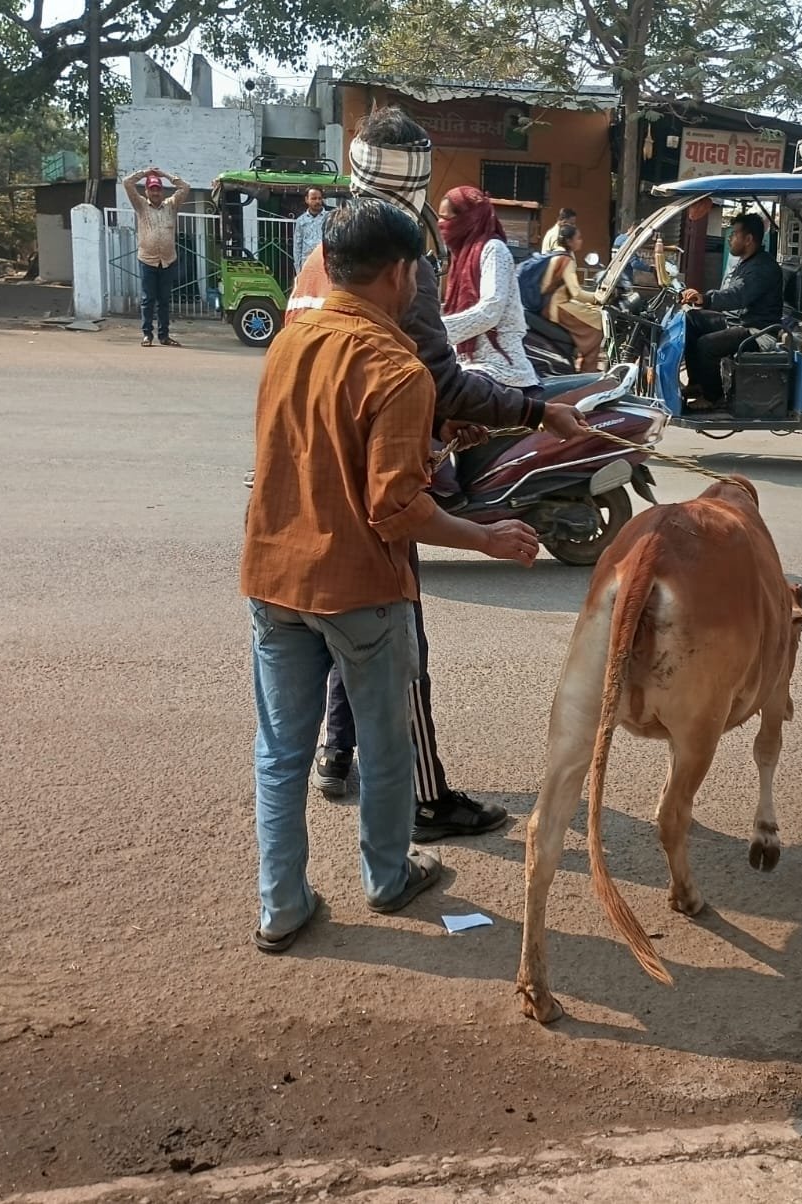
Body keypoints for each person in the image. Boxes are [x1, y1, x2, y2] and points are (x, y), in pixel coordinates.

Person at [241, 199, 541, 953]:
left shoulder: (289, 339)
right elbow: (395, 509)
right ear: (402, 273)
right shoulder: (398, 368)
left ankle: (281, 907)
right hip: (359, 589)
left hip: (273, 577)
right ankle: (386, 877)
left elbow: (322, 452)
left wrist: (431, 445)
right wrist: (486, 538)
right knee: (384, 746)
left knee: (281, 753)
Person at [284, 105, 587, 842]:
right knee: (401, 648)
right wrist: (535, 412)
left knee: (338, 635)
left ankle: (334, 754)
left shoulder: (320, 258)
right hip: (374, 485)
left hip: (302, 487)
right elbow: (436, 382)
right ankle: (421, 804)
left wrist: (444, 420)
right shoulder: (402, 268)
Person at [438, 185, 540, 390]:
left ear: (468, 219)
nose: (440, 224)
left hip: (499, 366)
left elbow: (490, 310)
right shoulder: (460, 256)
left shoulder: (493, 250)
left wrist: (437, 330)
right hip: (467, 363)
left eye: (446, 218)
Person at [679, 212, 784, 407]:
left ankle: (713, 398)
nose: (730, 239)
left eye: (734, 234)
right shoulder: (748, 262)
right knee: (691, 319)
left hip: (758, 331)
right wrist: (702, 301)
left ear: (748, 239)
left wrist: (705, 298)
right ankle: (698, 383)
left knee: (706, 345)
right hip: (739, 322)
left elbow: (738, 295)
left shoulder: (762, 267)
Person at [122, 165, 191, 348]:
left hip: (168, 261)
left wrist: (165, 175)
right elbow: (127, 183)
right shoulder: (141, 206)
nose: (155, 193)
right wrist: (145, 173)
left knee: (164, 301)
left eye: (158, 189)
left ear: (162, 191)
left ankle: (164, 336)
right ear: (146, 191)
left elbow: (185, 187)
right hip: (148, 260)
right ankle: (147, 335)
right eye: (152, 189)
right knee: (148, 300)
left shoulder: (171, 205)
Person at [533, 223, 606, 371]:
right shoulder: (566, 260)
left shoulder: (554, 254)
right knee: (597, 322)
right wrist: (597, 298)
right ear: (569, 241)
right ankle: (587, 369)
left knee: (589, 312)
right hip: (557, 307)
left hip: (548, 304)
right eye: (578, 238)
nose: (581, 241)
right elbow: (576, 293)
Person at [292, 186, 327, 269]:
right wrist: (298, 269)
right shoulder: (301, 220)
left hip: (324, 263)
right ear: (306, 200)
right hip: (307, 264)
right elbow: (297, 246)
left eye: (319, 198)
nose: (317, 201)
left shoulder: (329, 218)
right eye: (314, 198)